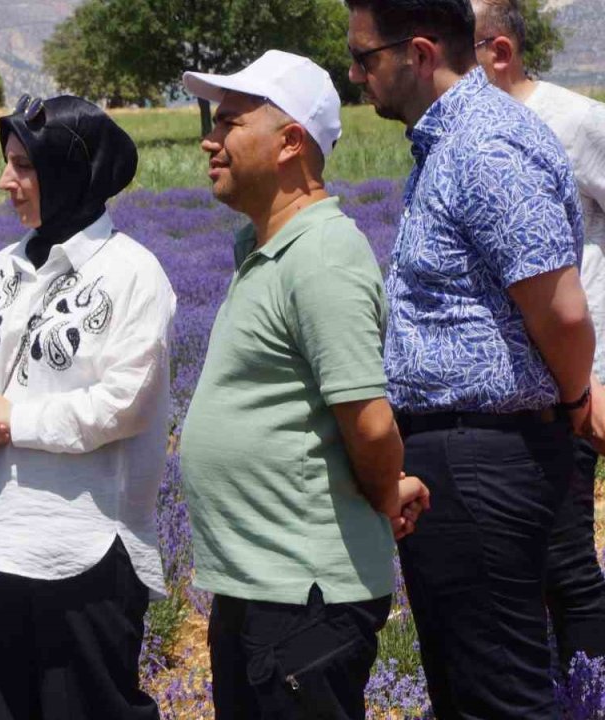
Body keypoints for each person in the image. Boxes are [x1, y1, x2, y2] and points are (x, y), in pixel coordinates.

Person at [345, 0, 595, 716]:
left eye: (365, 57)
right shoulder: (451, 141)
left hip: (483, 455)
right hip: (463, 452)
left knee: (499, 696)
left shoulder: (483, 144)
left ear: (419, 53)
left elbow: (564, 312)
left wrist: (575, 399)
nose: (357, 75)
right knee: (467, 690)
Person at [178, 50, 430, 720]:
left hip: (305, 598)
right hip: (261, 588)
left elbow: (370, 422)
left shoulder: (322, 254)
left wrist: (386, 489)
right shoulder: (265, 250)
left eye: (230, 122)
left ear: (290, 142)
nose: (211, 138)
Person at [0, 95, 174, 719]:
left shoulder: (133, 273)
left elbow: (125, 402)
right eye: (7, 163)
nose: (5, 182)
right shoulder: (5, 265)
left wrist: (13, 419)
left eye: (22, 166)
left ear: (69, 172)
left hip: (81, 555)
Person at [471, 0, 605, 669]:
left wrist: (601, 368)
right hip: (502, 388)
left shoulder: (576, 122)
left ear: (499, 51)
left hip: (578, 380)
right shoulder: (457, 132)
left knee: (566, 561)